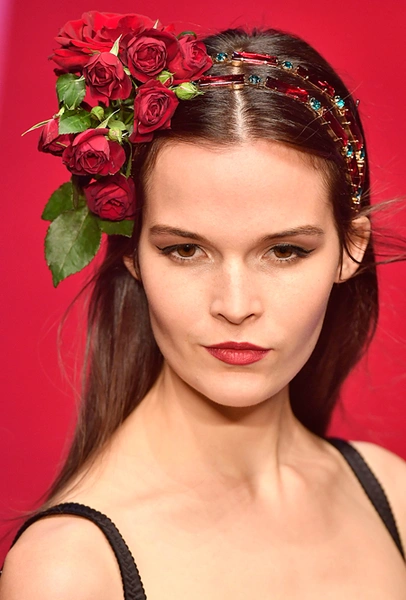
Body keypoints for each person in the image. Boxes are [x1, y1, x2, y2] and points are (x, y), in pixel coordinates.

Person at [1, 11, 406, 599]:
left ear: (351, 248)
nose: (235, 306)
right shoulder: (70, 571)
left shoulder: (394, 498)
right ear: (132, 252)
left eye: (285, 251)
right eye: (186, 250)